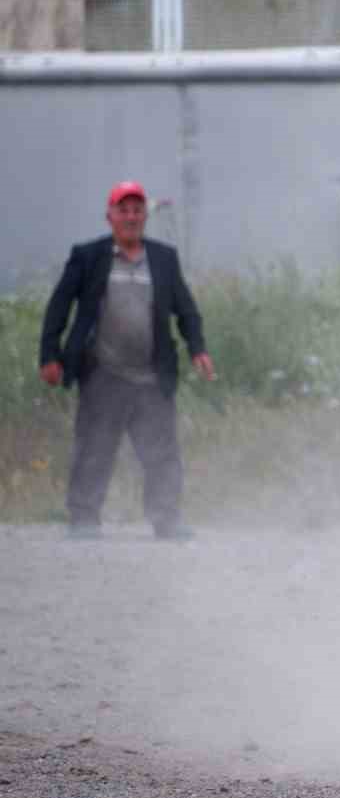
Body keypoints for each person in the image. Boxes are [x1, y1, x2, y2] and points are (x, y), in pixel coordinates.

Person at [38, 181, 215, 540]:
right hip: (103, 371)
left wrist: (198, 348)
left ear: (144, 216)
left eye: (137, 210)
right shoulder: (88, 256)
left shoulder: (163, 258)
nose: (131, 216)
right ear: (110, 216)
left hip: (151, 374)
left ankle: (166, 520)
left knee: (161, 452)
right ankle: (84, 519)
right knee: (95, 448)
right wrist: (50, 355)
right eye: (124, 209)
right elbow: (59, 306)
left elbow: (186, 309)